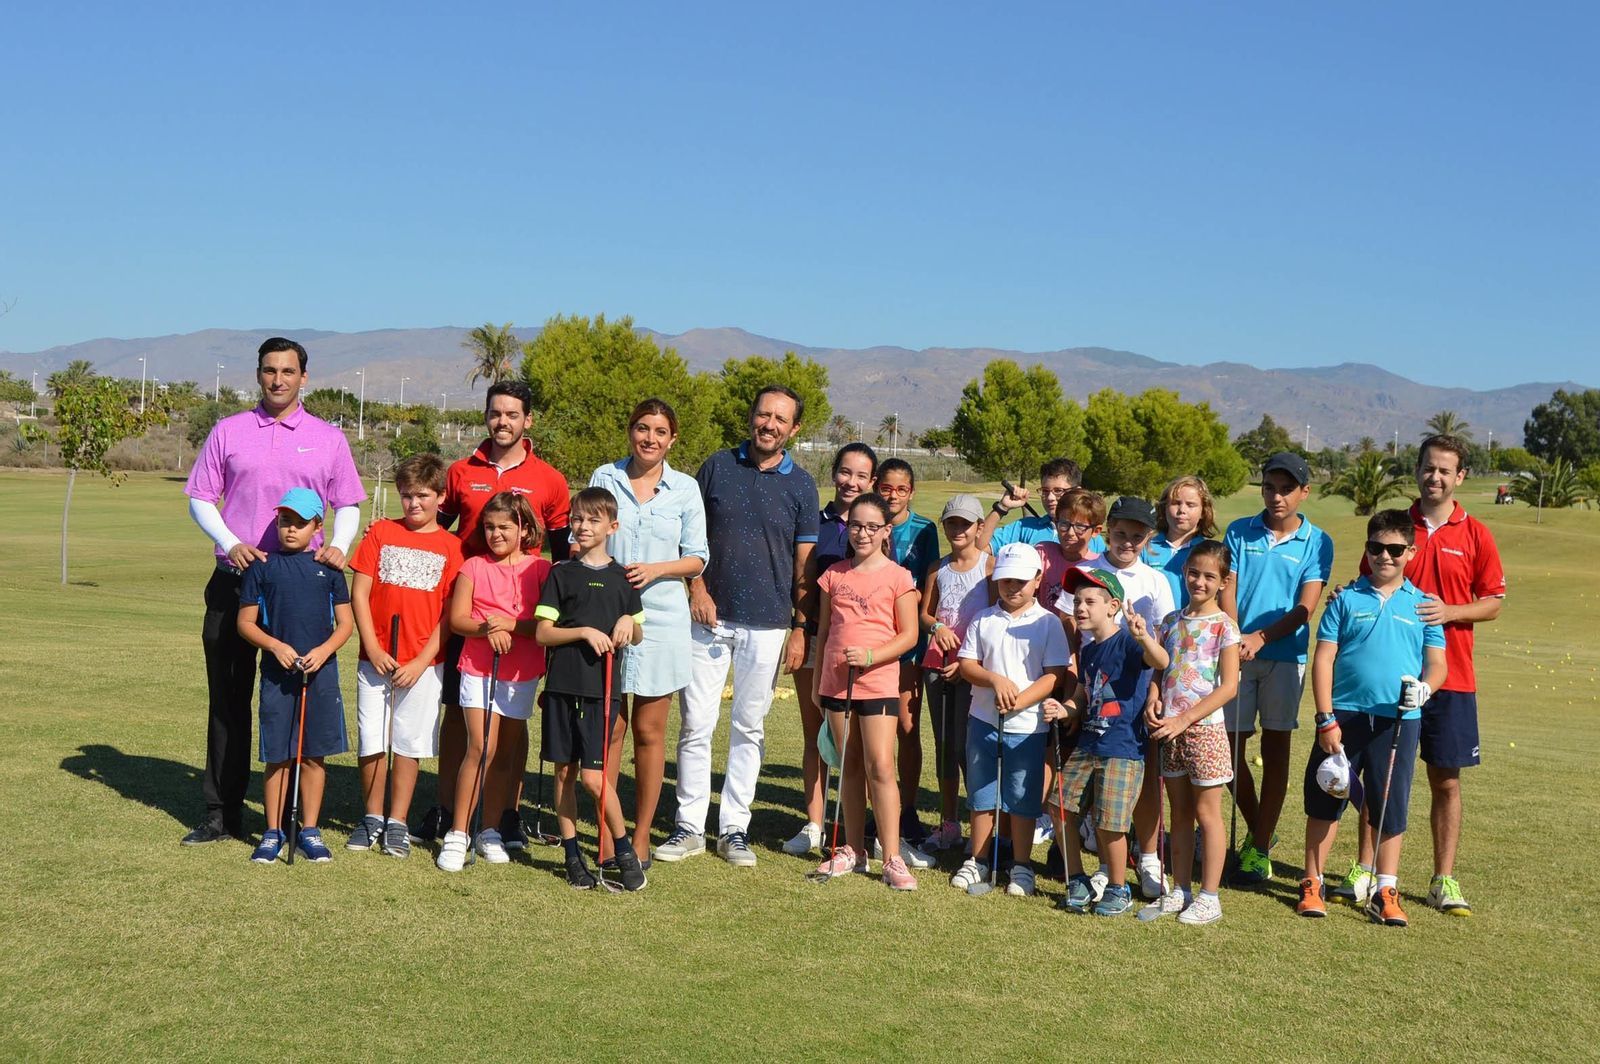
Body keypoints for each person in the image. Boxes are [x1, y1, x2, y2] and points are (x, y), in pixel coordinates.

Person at [182, 336, 365, 846]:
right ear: (258, 374)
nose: (278, 380)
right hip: (235, 581)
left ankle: (292, 818)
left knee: (292, 701)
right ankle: (222, 813)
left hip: (302, 588)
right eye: (269, 370)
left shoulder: (328, 437)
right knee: (229, 700)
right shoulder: (228, 430)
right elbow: (200, 498)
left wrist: (340, 545)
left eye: (287, 371)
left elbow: (347, 503)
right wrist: (230, 542)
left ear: (304, 377)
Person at [1336, 434, 1504, 916]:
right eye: (1429, 467)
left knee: (1445, 779)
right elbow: (1366, 584)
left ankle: (1442, 880)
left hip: (1451, 678)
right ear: (1417, 470)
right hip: (1386, 681)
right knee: (1379, 776)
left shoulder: (1476, 535)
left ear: (1460, 477)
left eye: (1445, 470)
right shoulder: (1394, 526)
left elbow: (1493, 603)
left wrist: (1450, 611)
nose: (1435, 477)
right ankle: (1365, 869)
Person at [658, 386, 819, 868]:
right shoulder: (718, 466)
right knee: (696, 724)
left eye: (780, 419)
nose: (769, 424)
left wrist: (800, 626)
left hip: (768, 625)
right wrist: (697, 588)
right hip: (708, 617)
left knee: (749, 727)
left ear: (794, 429)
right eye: (763, 414)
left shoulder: (802, 485)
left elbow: (804, 564)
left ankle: (734, 829)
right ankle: (689, 826)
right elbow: (691, 535)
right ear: (751, 417)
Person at [420, 379, 570, 848]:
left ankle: (506, 815)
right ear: (486, 415)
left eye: (512, 414)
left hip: (523, 622)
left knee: (512, 725)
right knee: (458, 714)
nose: (502, 421)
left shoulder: (550, 479)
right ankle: (449, 811)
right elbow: (433, 529)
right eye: (495, 413)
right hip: (466, 610)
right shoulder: (461, 471)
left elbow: (562, 554)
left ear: (528, 420)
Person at [1296, 509, 1447, 926]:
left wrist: (1426, 688)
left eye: (1395, 549)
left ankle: (1385, 891)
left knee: (1388, 806)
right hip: (1343, 717)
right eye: (1376, 547)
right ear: (1366, 549)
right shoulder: (1345, 599)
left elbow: (1437, 664)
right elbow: (1323, 659)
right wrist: (1325, 718)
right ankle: (1312, 883)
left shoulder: (1423, 606)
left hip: (1397, 721)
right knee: (1326, 797)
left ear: (1411, 552)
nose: (1385, 556)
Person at [588, 399, 709, 867]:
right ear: (630, 430)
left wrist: (656, 569)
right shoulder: (605, 477)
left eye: (660, 431)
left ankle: (639, 839)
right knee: (611, 728)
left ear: (672, 439)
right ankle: (608, 835)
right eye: (642, 428)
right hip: (608, 616)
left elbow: (697, 557)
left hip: (662, 619)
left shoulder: (686, 489)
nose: (650, 438)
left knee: (648, 730)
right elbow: (586, 536)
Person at [1220, 452, 1334, 887]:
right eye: (1270, 487)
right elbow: (1227, 588)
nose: (1277, 496)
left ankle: (1258, 849)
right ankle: (1261, 833)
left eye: (1287, 489)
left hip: (1285, 658)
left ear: (1305, 492)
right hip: (1236, 652)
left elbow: (1306, 607)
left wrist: (1261, 638)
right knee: (1228, 748)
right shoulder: (1239, 530)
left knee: (1276, 747)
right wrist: (1236, 636)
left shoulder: (1317, 541)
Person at [347, 454, 464, 858]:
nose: (414, 504)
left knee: (408, 743)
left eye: (423, 496)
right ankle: (372, 816)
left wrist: (421, 661)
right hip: (376, 658)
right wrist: (372, 647)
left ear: (441, 497)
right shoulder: (381, 532)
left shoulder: (452, 547)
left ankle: (397, 821)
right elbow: (360, 592)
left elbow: (449, 615)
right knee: (372, 740)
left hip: (423, 665)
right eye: (407, 495)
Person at [535, 487, 647, 891]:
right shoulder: (561, 573)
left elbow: (636, 633)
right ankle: (572, 856)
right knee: (564, 774)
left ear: (612, 527)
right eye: (578, 519)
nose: (583, 526)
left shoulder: (624, 578)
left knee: (594, 779)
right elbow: (543, 633)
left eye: (593, 520)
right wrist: (582, 631)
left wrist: (628, 623)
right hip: (562, 688)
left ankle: (624, 851)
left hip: (602, 693)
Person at [810, 493, 923, 889]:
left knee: (881, 766)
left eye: (872, 527)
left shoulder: (899, 577)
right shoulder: (833, 575)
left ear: (886, 531)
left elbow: (909, 635)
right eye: (856, 525)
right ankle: (852, 850)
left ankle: (891, 857)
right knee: (850, 766)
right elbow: (825, 631)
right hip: (836, 685)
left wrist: (872, 655)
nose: (862, 533)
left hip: (878, 684)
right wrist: (818, 685)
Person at [236, 489, 355, 863]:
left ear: (318, 527)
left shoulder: (329, 569)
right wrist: (275, 646)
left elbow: (345, 624)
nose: (291, 529)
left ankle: (310, 830)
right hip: (278, 674)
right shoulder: (262, 566)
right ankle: (272, 832)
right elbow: (245, 623)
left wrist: (324, 651)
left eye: (301, 523)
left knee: (314, 755)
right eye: (285, 521)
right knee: (279, 756)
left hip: (320, 673)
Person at [950, 543, 1072, 898]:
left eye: (1020, 581)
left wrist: (1020, 701)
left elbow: (1054, 675)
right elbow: (968, 664)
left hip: (1028, 726)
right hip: (983, 719)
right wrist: (994, 680)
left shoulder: (1048, 622)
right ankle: (978, 859)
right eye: (1006, 581)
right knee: (981, 794)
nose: (1012, 587)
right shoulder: (983, 618)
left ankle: (1021, 865)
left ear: (1038, 579)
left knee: (1022, 798)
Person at [439, 492, 551, 871]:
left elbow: (545, 625)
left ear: (524, 529)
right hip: (478, 667)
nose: (495, 534)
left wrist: (512, 625)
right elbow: (458, 620)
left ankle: (489, 830)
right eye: (489, 527)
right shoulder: (473, 566)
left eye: (504, 527)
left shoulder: (541, 570)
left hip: (522, 671)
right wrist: (488, 628)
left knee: (505, 752)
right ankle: (458, 833)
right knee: (481, 746)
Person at [1051, 568, 1169, 916]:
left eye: (1090, 601)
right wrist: (1064, 709)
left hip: (1122, 749)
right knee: (1059, 807)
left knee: (1110, 823)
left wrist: (1144, 637)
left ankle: (1119, 889)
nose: (1080, 608)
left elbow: (1161, 660)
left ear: (1112, 606)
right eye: (1077, 601)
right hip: (1089, 744)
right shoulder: (1089, 651)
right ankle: (1077, 880)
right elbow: (1082, 696)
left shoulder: (1129, 642)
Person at [1075, 496, 1175, 899]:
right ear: (1107, 531)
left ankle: (1148, 857)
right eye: (1120, 533)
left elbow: (1163, 644)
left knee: (1144, 776)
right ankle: (1106, 866)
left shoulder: (1155, 580)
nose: (1128, 542)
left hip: (1138, 689)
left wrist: (1154, 690)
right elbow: (1071, 632)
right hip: (1093, 686)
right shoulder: (1087, 572)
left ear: (1148, 538)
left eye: (1137, 536)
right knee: (1101, 779)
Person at [786, 442, 878, 856]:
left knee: (862, 744)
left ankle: (862, 824)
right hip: (817, 639)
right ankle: (814, 824)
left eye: (861, 475)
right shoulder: (815, 522)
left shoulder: (877, 526)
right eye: (845, 472)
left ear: (872, 481)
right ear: (834, 472)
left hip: (865, 650)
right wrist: (799, 629)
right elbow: (803, 582)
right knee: (816, 734)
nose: (851, 482)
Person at [1143, 540, 1241, 924]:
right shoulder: (1171, 621)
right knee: (1179, 812)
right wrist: (1153, 697)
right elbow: (1160, 669)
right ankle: (1181, 889)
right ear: (1184, 572)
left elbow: (1228, 687)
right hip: (1170, 730)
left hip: (1205, 732)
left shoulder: (1225, 627)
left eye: (1209, 577)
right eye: (1194, 573)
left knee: (1206, 813)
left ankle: (1209, 896)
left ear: (1223, 582)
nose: (1199, 582)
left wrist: (1184, 720)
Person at [919, 494, 995, 853]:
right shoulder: (938, 568)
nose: (958, 530)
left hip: (975, 669)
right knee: (946, 745)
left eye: (966, 524)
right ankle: (949, 822)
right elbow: (925, 613)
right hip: (937, 665)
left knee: (971, 747)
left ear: (979, 527)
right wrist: (936, 628)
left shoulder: (990, 567)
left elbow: (996, 616)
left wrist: (968, 664)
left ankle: (982, 821)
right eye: (952, 523)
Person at [875, 457, 941, 846]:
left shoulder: (924, 529)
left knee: (906, 726)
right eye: (886, 488)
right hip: (871, 637)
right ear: (876, 487)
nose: (893, 495)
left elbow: (925, 589)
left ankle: (909, 809)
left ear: (911, 492)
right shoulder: (867, 522)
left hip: (908, 643)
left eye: (901, 489)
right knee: (873, 729)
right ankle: (877, 810)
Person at [977, 457, 1103, 554]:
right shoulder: (1025, 527)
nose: (1050, 497)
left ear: (1077, 491)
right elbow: (978, 548)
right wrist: (1002, 507)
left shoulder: (1090, 536)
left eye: (1058, 490)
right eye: (1045, 491)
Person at [1041, 487, 1107, 653]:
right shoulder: (1042, 553)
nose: (1070, 533)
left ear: (1096, 531)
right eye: (1064, 524)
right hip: (1040, 639)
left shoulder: (1097, 567)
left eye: (1079, 527)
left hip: (1080, 648)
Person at [1144, 475, 1217, 608]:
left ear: (1203, 511)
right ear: (1164, 507)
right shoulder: (1146, 547)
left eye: (1190, 505)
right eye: (1176, 503)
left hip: (1189, 620)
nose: (1182, 510)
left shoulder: (1208, 552)